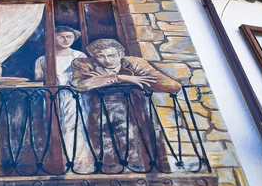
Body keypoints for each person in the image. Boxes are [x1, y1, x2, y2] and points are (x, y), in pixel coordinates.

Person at [71, 39, 182, 172]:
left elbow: (172, 86)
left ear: (121, 54)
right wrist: (121, 78)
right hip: (101, 111)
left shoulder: (136, 63)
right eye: (100, 56)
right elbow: (79, 84)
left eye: (112, 55)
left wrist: (101, 79)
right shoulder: (83, 64)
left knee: (137, 146)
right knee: (106, 147)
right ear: (94, 57)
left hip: (135, 110)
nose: (107, 60)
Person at [35, 26, 91, 171]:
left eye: (69, 37)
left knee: (74, 126)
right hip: (51, 97)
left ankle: (78, 163)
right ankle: (56, 163)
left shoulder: (79, 56)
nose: (66, 40)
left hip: (74, 96)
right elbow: (39, 80)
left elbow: (87, 77)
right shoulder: (42, 59)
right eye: (61, 36)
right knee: (53, 127)